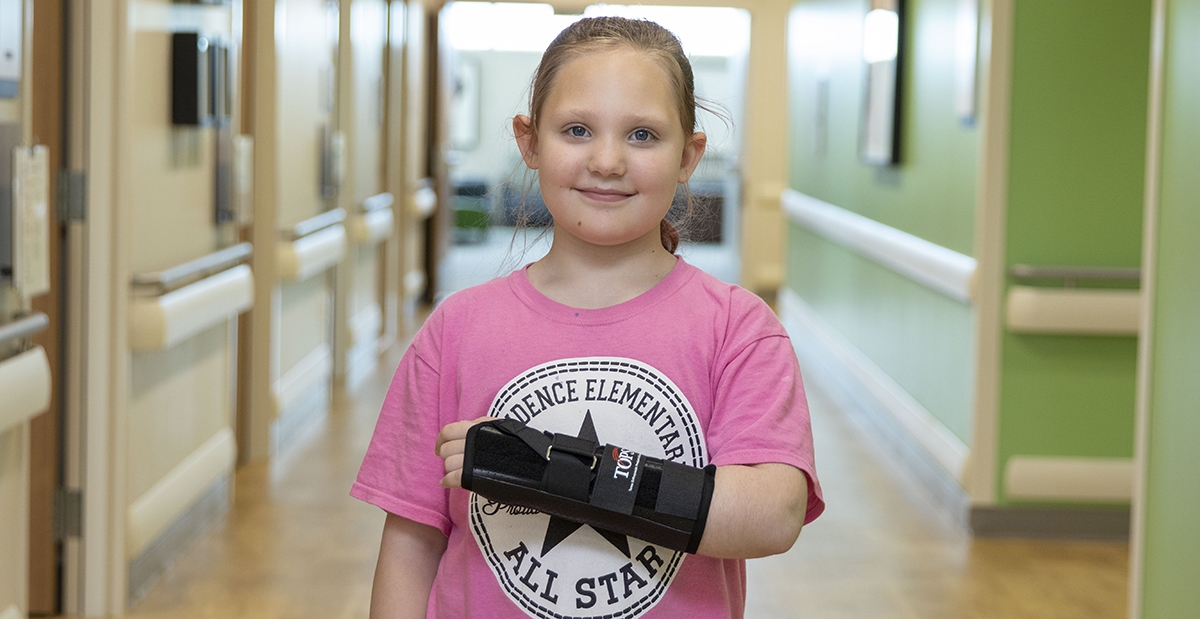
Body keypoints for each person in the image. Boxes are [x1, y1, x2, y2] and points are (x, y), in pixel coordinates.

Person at [352, 16, 824, 619]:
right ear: (529, 141)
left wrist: (551, 471)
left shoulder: (738, 329)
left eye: (643, 136)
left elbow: (773, 515)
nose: (606, 160)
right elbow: (412, 540)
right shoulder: (457, 329)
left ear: (689, 154)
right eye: (576, 130)